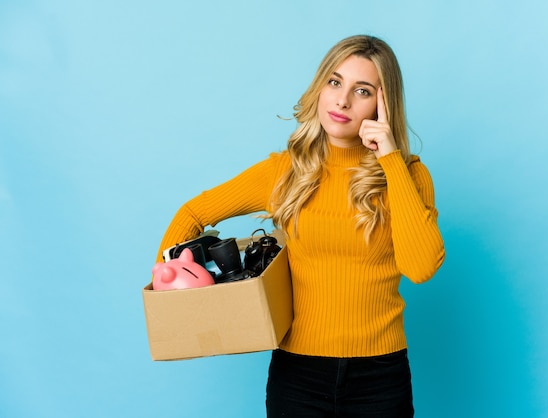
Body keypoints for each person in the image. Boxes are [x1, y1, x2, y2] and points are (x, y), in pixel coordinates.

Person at [155, 34, 445, 418]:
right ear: (320, 87)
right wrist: (168, 293)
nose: (342, 101)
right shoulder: (286, 171)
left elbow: (421, 267)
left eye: (362, 90)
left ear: (383, 105)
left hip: (380, 375)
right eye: (334, 82)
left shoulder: (408, 176)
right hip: (298, 376)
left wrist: (390, 160)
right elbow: (192, 213)